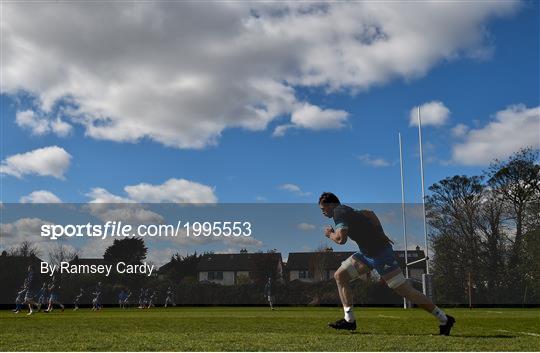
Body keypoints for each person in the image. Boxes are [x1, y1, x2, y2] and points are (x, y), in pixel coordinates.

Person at [318, 192, 455, 335]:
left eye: (323, 208)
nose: (322, 212)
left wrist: (330, 234)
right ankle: (349, 320)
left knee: (405, 291)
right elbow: (371, 213)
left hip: (381, 256)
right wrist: (381, 233)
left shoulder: (339, 212)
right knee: (340, 276)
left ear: (332, 205)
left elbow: (341, 240)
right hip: (366, 255)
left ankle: (444, 318)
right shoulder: (348, 210)